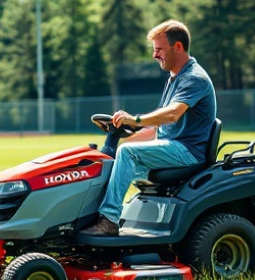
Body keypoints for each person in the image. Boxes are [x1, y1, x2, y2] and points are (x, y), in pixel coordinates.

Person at [81, 20, 216, 236]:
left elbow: (172, 114)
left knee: (127, 153)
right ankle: (96, 216)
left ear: (178, 47)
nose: (155, 55)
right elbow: (162, 125)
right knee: (116, 158)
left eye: (159, 49)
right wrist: (129, 130)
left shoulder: (193, 78)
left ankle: (108, 221)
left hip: (189, 152)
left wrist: (134, 120)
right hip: (174, 146)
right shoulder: (174, 77)